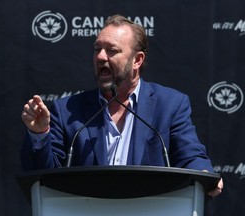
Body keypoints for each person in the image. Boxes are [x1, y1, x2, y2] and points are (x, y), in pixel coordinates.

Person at [21, 14, 223, 197]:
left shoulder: (170, 105)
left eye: (111, 50)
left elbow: (190, 155)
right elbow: (45, 178)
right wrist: (40, 135)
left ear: (137, 60)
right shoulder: (66, 111)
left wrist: (205, 176)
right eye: (97, 49)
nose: (100, 57)